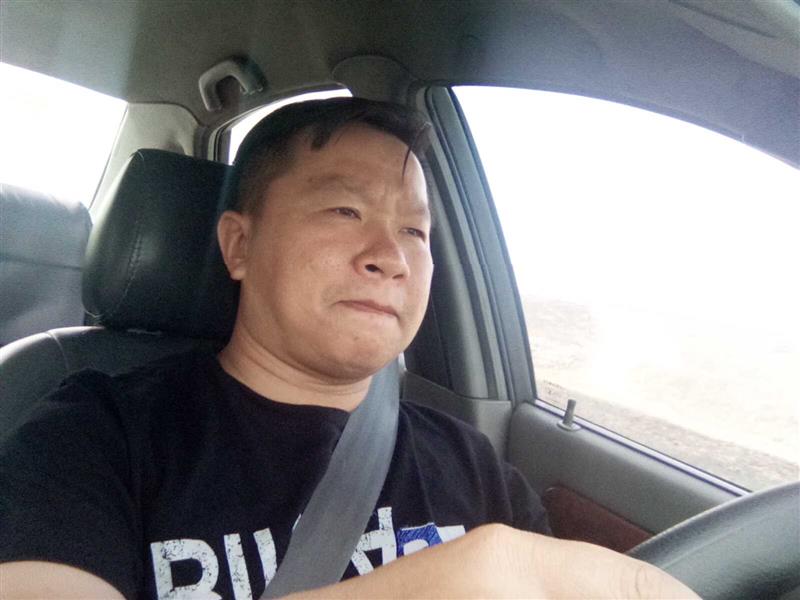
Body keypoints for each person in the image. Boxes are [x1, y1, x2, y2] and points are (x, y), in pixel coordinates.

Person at [0, 98, 697, 599]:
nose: (389, 256)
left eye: (415, 232)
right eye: (345, 210)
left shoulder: (470, 461)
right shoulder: (91, 433)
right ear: (239, 244)